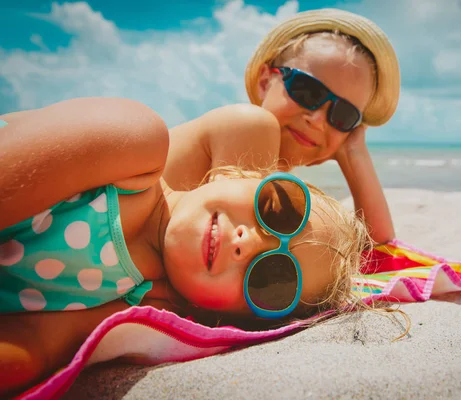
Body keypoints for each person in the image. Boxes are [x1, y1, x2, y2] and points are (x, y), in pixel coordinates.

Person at [0, 97, 371, 395]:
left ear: (237, 316)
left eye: (272, 279)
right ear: (241, 174)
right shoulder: (135, 144)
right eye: (276, 209)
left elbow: (40, 342)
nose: (250, 241)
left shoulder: (138, 305)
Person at [164, 9, 400, 244]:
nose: (317, 120)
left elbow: (378, 242)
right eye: (307, 91)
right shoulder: (247, 125)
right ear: (265, 82)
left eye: (343, 115)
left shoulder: (273, 181)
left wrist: (353, 152)